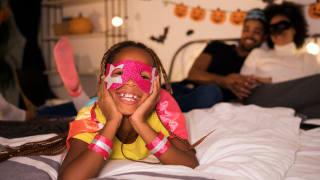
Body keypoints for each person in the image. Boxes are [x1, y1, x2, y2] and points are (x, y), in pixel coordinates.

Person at [0, 41, 199, 179]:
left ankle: (77, 94)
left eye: (143, 76)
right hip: (100, 106)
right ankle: (78, 95)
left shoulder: (164, 108)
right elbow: (70, 177)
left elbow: (190, 163)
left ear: (156, 83)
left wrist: (140, 123)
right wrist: (112, 123)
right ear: (105, 80)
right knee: (87, 107)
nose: (130, 82)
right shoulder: (93, 116)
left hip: (141, 102)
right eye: (120, 73)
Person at [170, 8, 268, 112]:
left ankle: (164, 108)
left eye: (256, 32)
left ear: (264, 37)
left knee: (211, 92)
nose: (250, 35)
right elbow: (193, 74)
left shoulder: (258, 62)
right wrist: (224, 80)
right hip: (184, 89)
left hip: (211, 97)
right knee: (159, 88)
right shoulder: (217, 46)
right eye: (246, 30)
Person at [240, 2, 320, 118]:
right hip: (261, 96)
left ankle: (293, 116)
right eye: (272, 28)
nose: (278, 31)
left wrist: (268, 79)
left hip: (295, 101)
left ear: (294, 29)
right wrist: (268, 82)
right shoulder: (258, 53)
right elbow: (244, 83)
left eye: (282, 26)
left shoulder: (308, 57)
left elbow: (307, 90)